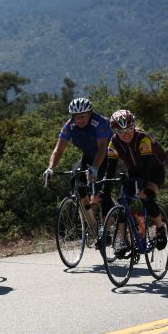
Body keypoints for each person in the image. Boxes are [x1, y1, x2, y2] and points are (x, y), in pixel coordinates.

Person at [42, 97, 116, 236]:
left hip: (108, 155)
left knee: (102, 190)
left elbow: (102, 149)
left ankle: (108, 227)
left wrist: (94, 168)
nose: (79, 120)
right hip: (88, 155)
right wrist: (50, 168)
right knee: (75, 178)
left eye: (82, 116)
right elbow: (58, 150)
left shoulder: (99, 123)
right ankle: (91, 219)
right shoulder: (69, 126)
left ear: (90, 113)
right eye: (76, 117)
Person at [107, 108, 168, 252]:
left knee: (146, 196)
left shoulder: (143, 138)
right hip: (134, 171)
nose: (126, 134)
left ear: (134, 125)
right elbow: (110, 169)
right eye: (121, 131)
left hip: (154, 170)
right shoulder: (114, 143)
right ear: (115, 131)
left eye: (129, 129)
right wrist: (105, 189)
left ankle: (160, 228)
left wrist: (143, 187)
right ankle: (122, 240)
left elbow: (146, 167)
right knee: (123, 203)